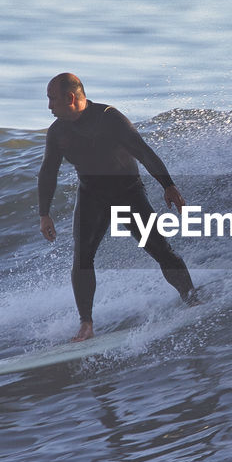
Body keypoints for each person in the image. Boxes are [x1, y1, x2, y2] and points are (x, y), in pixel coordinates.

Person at [38, 72, 198, 341]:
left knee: (161, 250)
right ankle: (86, 325)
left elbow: (144, 152)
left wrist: (168, 186)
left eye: (52, 100)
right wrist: (44, 213)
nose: (49, 107)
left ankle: (191, 299)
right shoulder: (57, 132)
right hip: (92, 196)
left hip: (128, 194)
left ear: (70, 97)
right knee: (82, 258)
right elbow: (48, 172)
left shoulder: (109, 118)